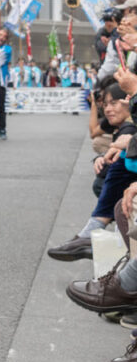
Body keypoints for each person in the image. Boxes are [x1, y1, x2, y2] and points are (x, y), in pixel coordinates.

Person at [47, 82, 136, 260]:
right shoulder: (124, 125)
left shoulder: (129, 127)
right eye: (105, 104)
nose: (108, 109)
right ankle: (102, 237)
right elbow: (94, 132)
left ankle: (105, 239)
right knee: (115, 181)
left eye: (114, 103)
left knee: (119, 179)